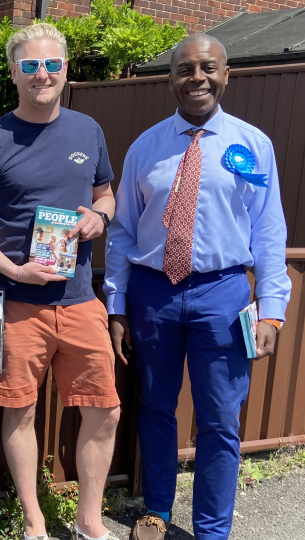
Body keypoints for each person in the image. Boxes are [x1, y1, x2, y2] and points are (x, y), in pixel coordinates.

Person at [104, 34, 290, 540]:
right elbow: (122, 232)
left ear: (227, 74)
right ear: (171, 80)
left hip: (224, 297)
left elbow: (269, 232)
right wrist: (116, 307)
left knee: (220, 421)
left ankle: (212, 529)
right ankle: (157, 511)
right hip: (153, 294)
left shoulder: (253, 146)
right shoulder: (146, 147)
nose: (197, 78)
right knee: (155, 408)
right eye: (185, 70)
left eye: (208, 67)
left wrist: (271, 309)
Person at [0, 23, 120, 540]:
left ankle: (90, 522)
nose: (41, 74)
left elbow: (106, 195)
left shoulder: (88, 130)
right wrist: (12, 269)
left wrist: (100, 216)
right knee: (20, 411)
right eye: (30, 65)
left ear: (66, 70)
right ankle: (34, 522)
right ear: (13, 73)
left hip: (79, 299)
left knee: (105, 411)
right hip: (20, 302)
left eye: (51, 64)